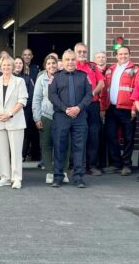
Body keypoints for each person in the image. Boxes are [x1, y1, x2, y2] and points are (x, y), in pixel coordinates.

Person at [48, 50, 92, 188]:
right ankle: (58, 177)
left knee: (79, 147)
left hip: (79, 116)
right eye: (67, 60)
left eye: (73, 59)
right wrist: (65, 109)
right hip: (62, 116)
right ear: (63, 61)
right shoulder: (56, 77)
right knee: (59, 146)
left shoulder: (84, 76)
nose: (70, 62)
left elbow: (89, 95)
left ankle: (78, 177)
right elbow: (52, 95)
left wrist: (78, 108)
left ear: (76, 61)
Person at [0, 55, 28, 189]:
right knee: (2, 151)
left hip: (15, 120)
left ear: (13, 67)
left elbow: (23, 100)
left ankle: (16, 178)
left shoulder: (19, 81)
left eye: (9, 65)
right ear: (0, 67)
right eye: (4, 65)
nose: (6, 67)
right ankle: (5, 177)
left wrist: (10, 114)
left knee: (16, 152)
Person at [102, 46, 139, 176]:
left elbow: (138, 90)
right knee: (111, 135)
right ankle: (116, 164)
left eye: (125, 54)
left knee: (128, 138)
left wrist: (134, 108)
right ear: (116, 55)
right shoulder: (110, 70)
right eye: (120, 54)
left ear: (129, 55)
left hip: (127, 109)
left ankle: (126, 164)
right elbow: (105, 90)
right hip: (112, 108)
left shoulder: (136, 70)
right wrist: (103, 107)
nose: (123, 56)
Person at [33, 54, 69, 184]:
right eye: (48, 64)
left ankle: (63, 171)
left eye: (53, 63)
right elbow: (36, 99)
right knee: (46, 145)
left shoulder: (63, 77)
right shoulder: (41, 78)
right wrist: (37, 118)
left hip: (62, 116)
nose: (51, 66)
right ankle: (49, 171)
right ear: (45, 66)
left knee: (64, 144)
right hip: (46, 115)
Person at [74, 42, 105, 176]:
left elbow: (101, 83)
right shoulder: (71, 65)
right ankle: (77, 165)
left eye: (84, 52)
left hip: (92, 105)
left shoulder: (92, 66)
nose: (82, 54)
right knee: (78, 135)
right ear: (75, 53)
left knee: (94, 135)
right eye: (79, 52)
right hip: (77, 106)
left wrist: (92, 93)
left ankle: (92, 165)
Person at [15, 56, 39, 164]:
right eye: (16, 63)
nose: (18, 65)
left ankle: (22, 155)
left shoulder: (28, 78)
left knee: (25, 134)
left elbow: (32, 95)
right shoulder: (8, 77)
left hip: (25, 111)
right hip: (11, 112)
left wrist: (22, 105)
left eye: (20, 63)